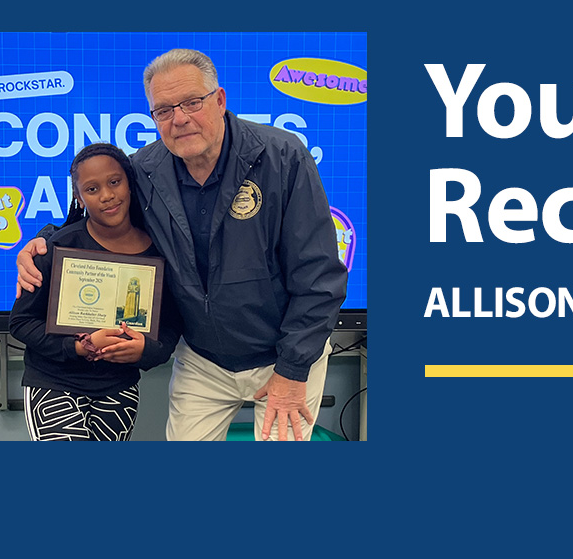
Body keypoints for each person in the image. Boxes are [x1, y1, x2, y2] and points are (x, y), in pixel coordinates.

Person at [17, 48, 347, 441]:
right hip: (203, 358)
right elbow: (100, 220)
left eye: (192, 102)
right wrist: (42, 240)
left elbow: (318, 276)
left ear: (220, 100)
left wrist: (293, 371)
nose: (180, 119)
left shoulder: (283, 157)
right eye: (164, 110)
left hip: (284, 353)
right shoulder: (144, 170)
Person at [10, 143, 183, 441]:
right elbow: (21, 323)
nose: (106, 195)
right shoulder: (55, 248)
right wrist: (79, 347)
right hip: (53, 383)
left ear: (130, 183)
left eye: (114, 182)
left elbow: (169, 328)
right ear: (79, 197)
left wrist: (146, 351)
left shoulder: (160, 253)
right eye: (92, 189)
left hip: (118, 389)